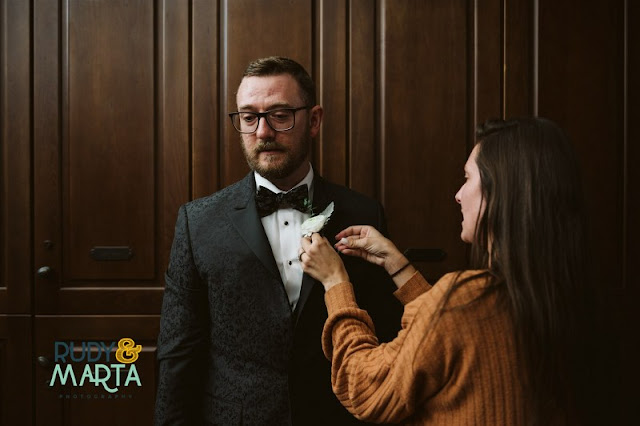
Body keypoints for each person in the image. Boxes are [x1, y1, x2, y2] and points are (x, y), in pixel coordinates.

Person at [300, 117, 604, 424]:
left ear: (501, 191)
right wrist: (397, 264)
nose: (458, 194)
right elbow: (456, 337)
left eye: (468, 178)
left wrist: (335, 283)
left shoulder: (466, 299)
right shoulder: (559, 295)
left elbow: (366, 388)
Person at [154, 56, 402, 425]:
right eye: (249, 117)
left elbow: (387, 340)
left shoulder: (365, 214)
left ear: (314, 120)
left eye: (280, 114)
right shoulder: (198, 222)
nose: (263, 132)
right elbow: (178, 355)